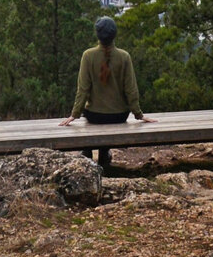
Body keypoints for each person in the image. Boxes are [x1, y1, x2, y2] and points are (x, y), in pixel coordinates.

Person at [59, 16, 155, 166]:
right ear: (114, 35)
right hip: (119, 115)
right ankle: (104, 153)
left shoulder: (88, 56)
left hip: (94, 115)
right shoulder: (124, 57)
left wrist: (75, 114)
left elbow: (83, 89)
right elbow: (131, 89)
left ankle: (87, 151)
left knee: (92, 116)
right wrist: (138, 114)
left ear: (97, 34)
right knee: (107, 118)